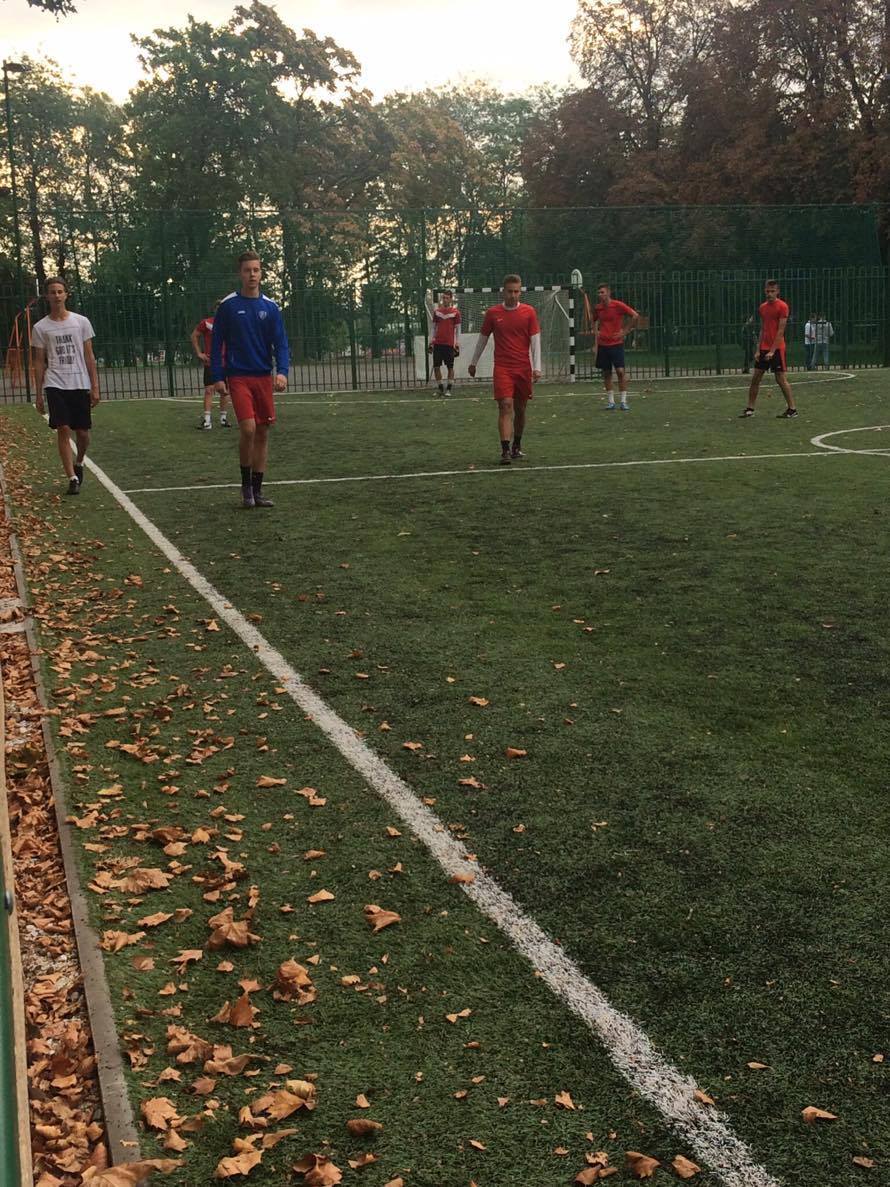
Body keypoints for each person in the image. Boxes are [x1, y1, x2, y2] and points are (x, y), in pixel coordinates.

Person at [211, 251, 289, 508]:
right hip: (239, 376)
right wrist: (218, 376)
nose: (252, 275)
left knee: (263, 431)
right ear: (240, 273)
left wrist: (282, 372)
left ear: (261, 273)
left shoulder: (270, 307)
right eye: (247, 270)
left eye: (256, 270)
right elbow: (216, 343)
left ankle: (257, 491)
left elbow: (281, 343)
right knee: (248, 429)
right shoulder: (228, 306)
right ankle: (245, 488)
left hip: (263, 377)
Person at [31, 276, 100, 496]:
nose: (56, 295)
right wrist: (38, 393)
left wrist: (95, 386)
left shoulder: (81, 322)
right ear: (47, 296)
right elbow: (39, 361)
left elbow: (89, 356)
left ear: (66, 294)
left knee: (82, 433)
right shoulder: (40, 327)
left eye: (60, 291)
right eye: (52, 292)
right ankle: (72, 478)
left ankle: (79, 461)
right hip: (55, 383)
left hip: (79, 382)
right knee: (62, 427)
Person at [467, 274, 541, 464]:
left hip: (523, 368)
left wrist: (537, 367)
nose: (513, 295)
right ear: (503, 291)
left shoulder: (529, 312)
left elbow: (535, 340)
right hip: (502, 368)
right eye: (510, 291)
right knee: (505, 405)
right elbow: (483, 339)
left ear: (520, 292)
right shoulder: (493, 313)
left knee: (520, 409)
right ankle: (505, 450)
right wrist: (473, 362)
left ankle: (517, 445)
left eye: (516, 292)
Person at [740, 279, 797, 418]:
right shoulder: (763, 308)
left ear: (777, 292)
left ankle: (792, 409)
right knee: (756, 378)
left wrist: (772, 350)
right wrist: (758, 349)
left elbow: (780, 330)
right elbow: (763, 329)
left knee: (780, 379)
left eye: (772, 291)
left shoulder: (782, 306)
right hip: (764, 348)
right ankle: (750, 408)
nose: (769, 294)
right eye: (767, 291)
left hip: (777, 348)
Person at [591, 284, 639, 410]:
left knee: (620, 371)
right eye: (598, 293)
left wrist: (625, 331)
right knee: (606, 373)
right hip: (603, 344)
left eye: (602, 292)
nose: (600, 295)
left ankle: (623, 401)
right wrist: (596, 334)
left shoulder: (618, 305)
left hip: (616, 344)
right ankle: (611, 402)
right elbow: (593, 320)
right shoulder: (598, 308)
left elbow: (635, 315)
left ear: (608, 293)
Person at [191, 301, 230, 428]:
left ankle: (223, 419)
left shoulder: (231, 323)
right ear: (214, 310)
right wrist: (199, 353)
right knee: (209, 390)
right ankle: (207, 421)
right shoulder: (207, 323)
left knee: (225, 391)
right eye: (217, 308)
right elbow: (194, 335)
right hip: (211, 362)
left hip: (227, 362)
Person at [428, 290, 461, 396]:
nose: (445, 300)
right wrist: (431, 341)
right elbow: (433, 328)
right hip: (438, 343)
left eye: (447, 298)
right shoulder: (437, 312)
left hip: (449, 344)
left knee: (450, 367)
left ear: (451, 299)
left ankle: (449, 389)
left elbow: (458, 329)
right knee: (436, 367)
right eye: (444, 298)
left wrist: (457, 343)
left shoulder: (456, 312)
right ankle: (441, 389)